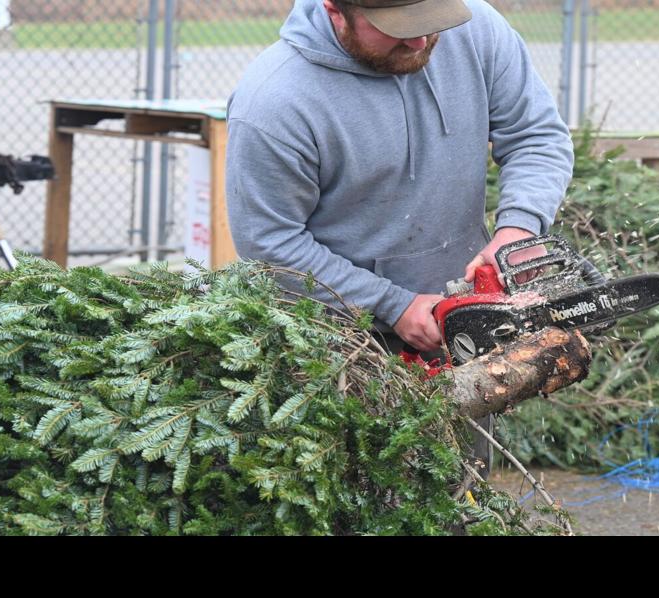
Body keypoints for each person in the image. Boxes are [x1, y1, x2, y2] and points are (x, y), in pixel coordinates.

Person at [226, 0, 573, 353]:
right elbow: (269, 243)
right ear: (335, 10)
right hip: (340, 341)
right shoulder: (275, 103)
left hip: (470, 320)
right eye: (399, 26)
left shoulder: (475, 29)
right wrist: (392, 304)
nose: (421, 40)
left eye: (431, 20)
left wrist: (520, 227)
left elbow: (535, 135)